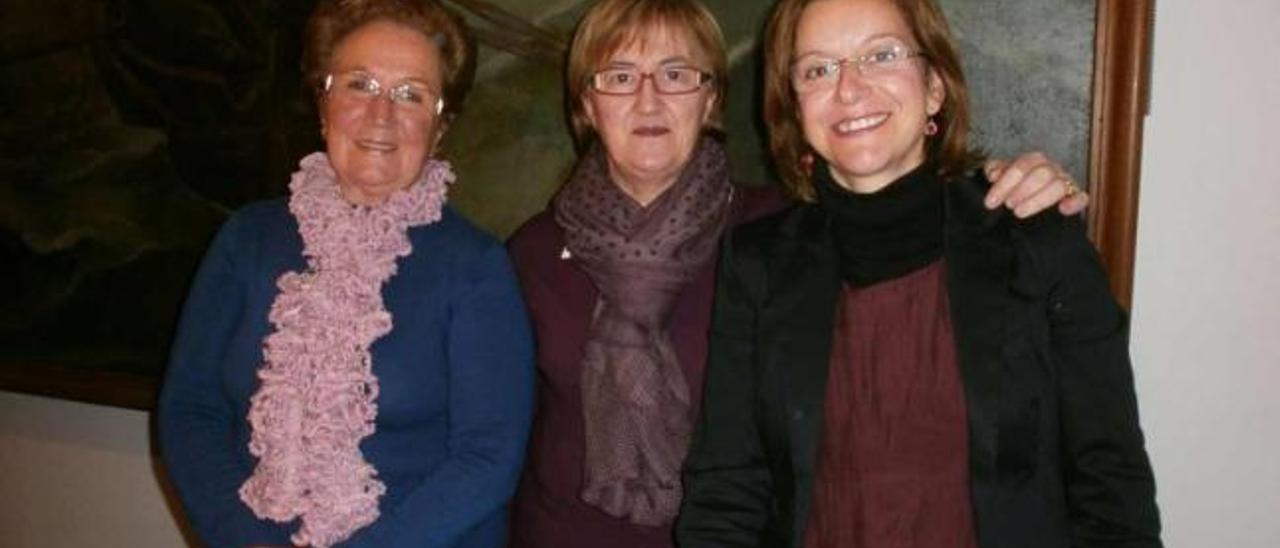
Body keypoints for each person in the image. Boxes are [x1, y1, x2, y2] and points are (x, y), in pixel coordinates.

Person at [506, 1, 1089, 547]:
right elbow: (507, 436)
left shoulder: (778, 236)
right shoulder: (531, 252)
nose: (649, 100)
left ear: (710, 101)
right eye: (620, 76)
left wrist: (1007, 185)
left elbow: (905, 220)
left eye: (678, 73)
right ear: (585, 104)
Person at [676, 0, 1162, 547]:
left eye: (881, 55)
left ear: (935, 86)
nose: (849, 88)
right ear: (793, 105)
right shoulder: (756, 263)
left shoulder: (1036, 239)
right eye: (818, 68)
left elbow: (1111, 489)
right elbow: (726, 492)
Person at [157, 1, 533, 547]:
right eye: (359, 84)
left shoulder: (475, 268)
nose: (381, 115)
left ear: (440, 126)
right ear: (322, 102)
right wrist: (244, 539)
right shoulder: (248, 239)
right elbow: (190, 408)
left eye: (411, 94)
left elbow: (488, 457)